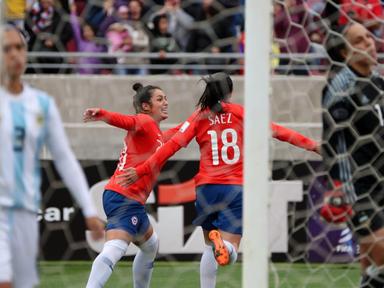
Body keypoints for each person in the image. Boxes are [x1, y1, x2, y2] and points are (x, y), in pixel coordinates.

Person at [119, 72, 319, 288]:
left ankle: (215, 256)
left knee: (208, 247)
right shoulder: (241, 113)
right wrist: (314, 146)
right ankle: (226, 247)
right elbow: (279, 132)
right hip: (235, 187)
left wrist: (142, 167)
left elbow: (172, 144)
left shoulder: (199, 116)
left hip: (206, 189)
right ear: (230, 92)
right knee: (229, 248)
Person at [0, 25, 104, 288]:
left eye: (20, 47)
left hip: (25, 211)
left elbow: (64, 157)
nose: (15, 55)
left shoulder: (41, 104)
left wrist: (89, 208)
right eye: (6, 49)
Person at [83, 83, 181, 288]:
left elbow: (177, 132)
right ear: (146, 106)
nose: (166, 103)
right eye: (160, 99)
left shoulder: (155, 133)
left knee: (151, 245)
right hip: (124, 196)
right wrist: (102, 113)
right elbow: (128, 121)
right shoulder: (145, 121)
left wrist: (198, 117)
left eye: (166, 98)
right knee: (115, 248)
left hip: (127, 198)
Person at [320, 22, 384, 288]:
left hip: (381, 184)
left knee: (373, 276)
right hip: (360, 189)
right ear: (345, 53)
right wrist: (341, 187)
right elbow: (335, 142)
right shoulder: (341, 86)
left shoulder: (379, 81)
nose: (368, 42)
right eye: (359, 40)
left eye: (369, 36)